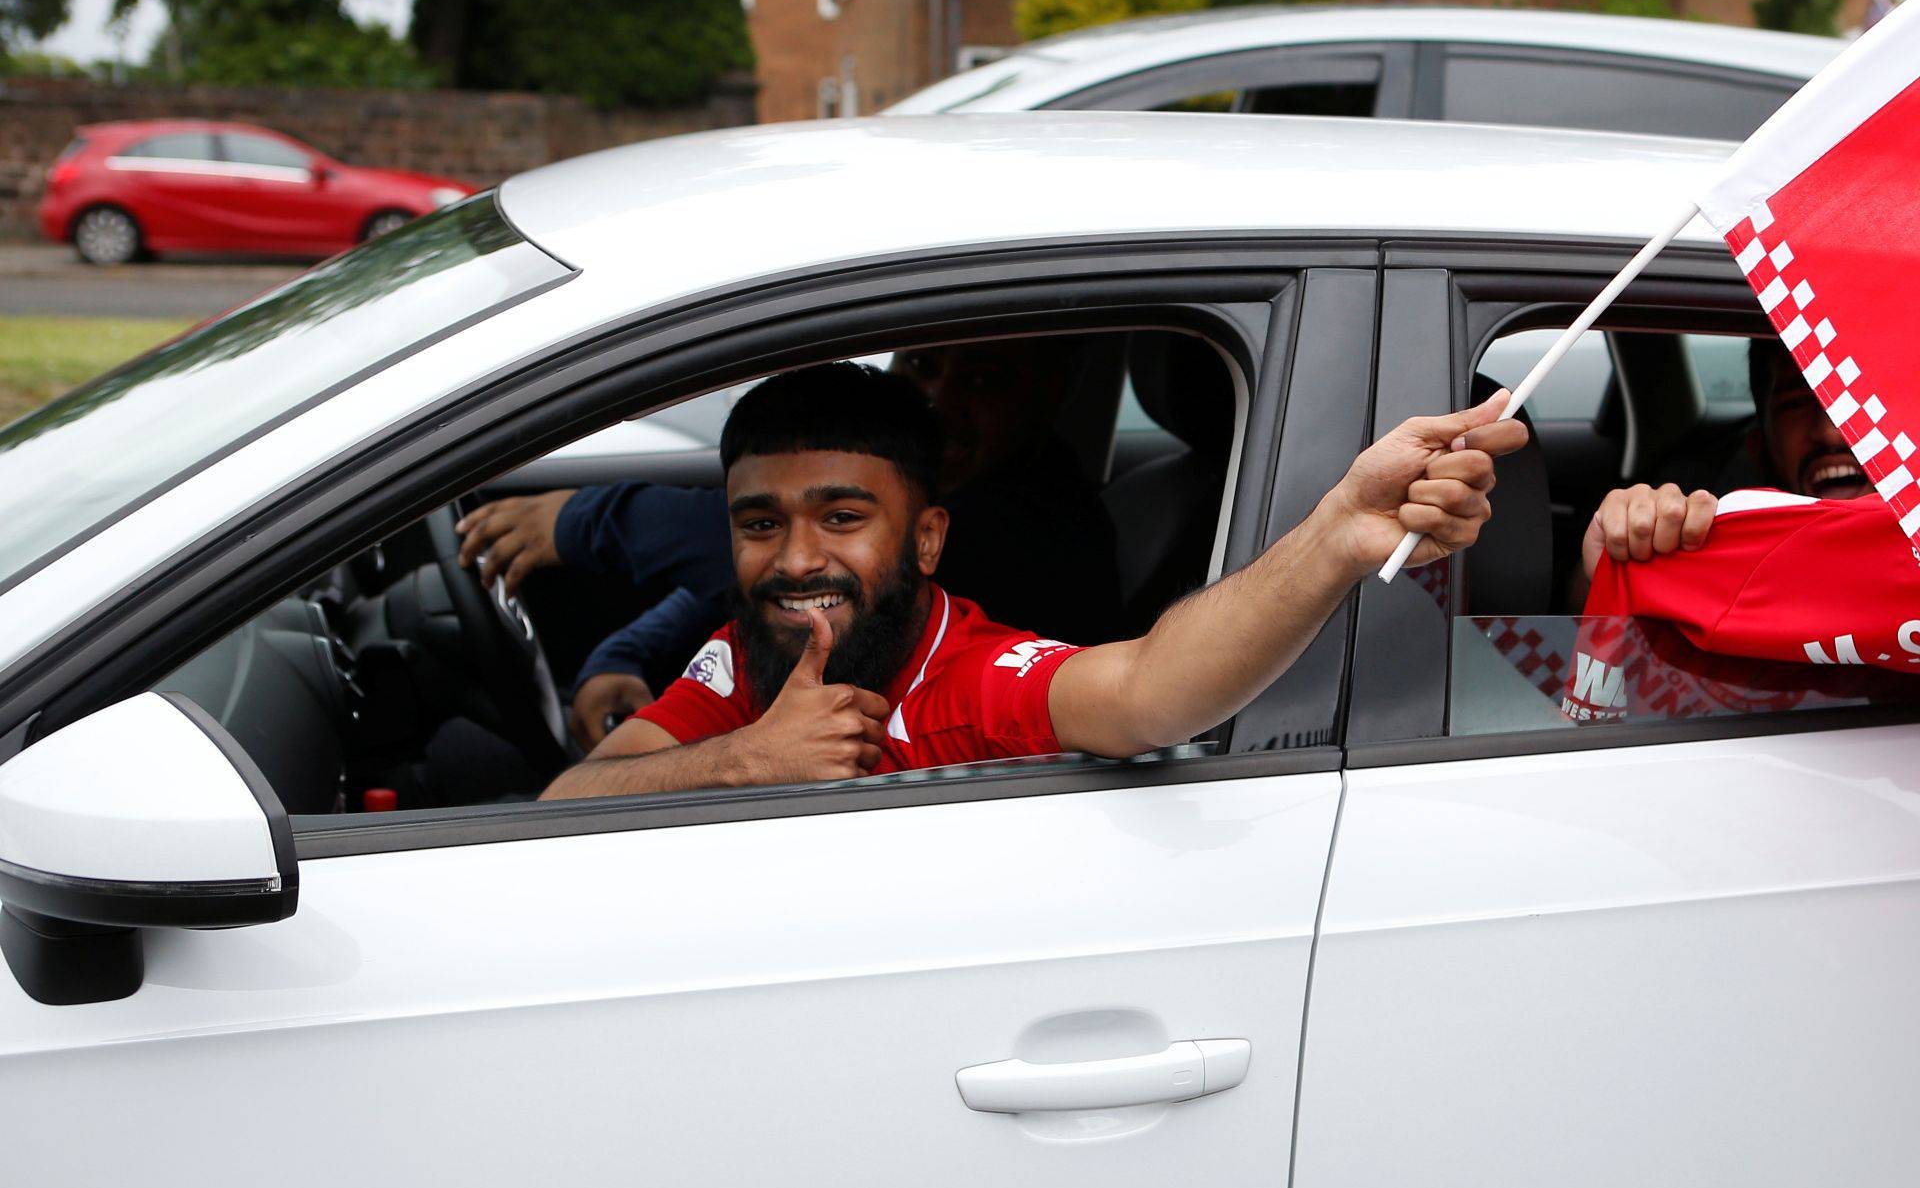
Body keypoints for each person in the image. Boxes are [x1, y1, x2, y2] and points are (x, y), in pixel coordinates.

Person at [540, 361, 1524, 800]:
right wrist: (742, 760)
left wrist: (1337, 535)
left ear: (927, 540)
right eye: (761, 525)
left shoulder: (972, 674)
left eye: (842, 518)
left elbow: (1147, 692)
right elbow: (570, 801)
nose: (797, 562)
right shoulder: (747, 659)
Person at [456, 342, 1122, 749]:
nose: (939, 400)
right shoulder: (821, 579)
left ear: (928, 540)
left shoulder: (1034, 523)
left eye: (982, 382)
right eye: (922, 366)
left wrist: (587, 520)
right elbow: (767, 584)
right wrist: (626, 654)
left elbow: (805, 569)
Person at [1577, 336, 1868, 590]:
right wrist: (1619, 552)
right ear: (1759, 449)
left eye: (1861, 397)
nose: (1831, 432)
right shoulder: (1713, 563)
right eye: (1796, 404)